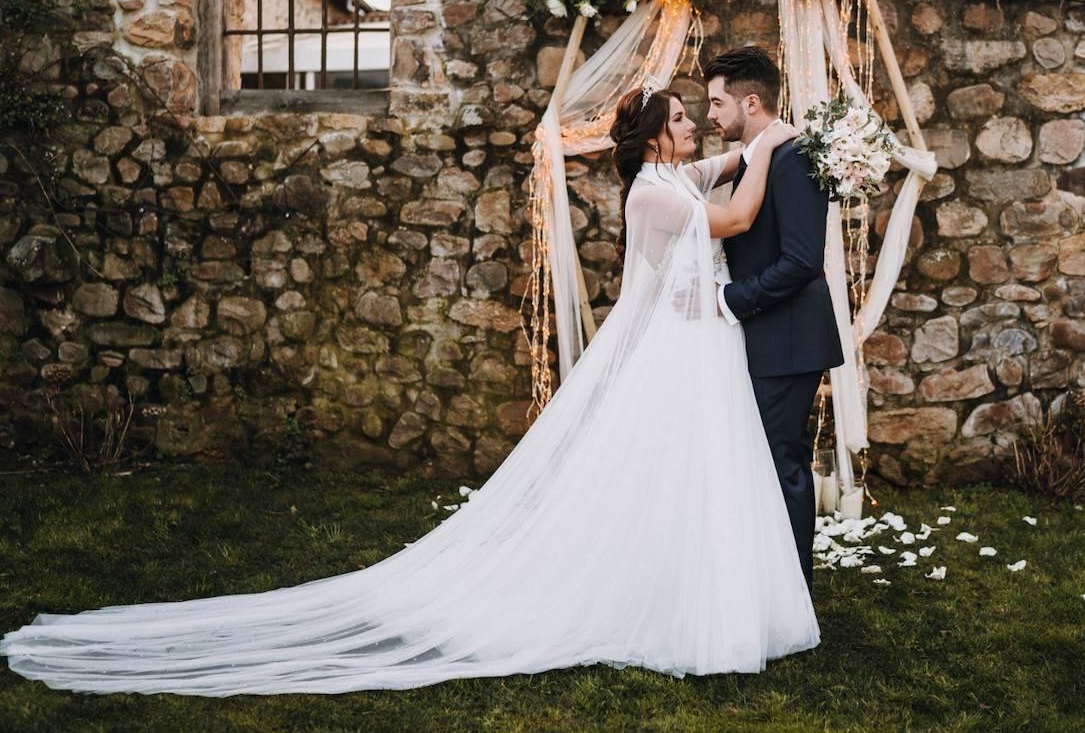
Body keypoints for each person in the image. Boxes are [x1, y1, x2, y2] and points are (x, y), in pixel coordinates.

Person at [0, 87, 818, 696]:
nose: (692, 127)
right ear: (653, 138)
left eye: (691, 117)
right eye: (680, 117)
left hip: (698, 345)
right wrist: (776, 141)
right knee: (669, 464)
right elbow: (741, 215)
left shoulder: (673, 179)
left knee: (697, 470)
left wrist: (766, 139)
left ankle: (690, 587)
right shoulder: (650, 193)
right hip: (675, 350)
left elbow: (724, 166)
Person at [704, 46, 845, 591]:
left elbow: (802, 260)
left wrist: (735, 299)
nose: (711, 115)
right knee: (763, 460)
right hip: (767, 336)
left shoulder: (794, 158)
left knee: (781, 462)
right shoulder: (766, 154)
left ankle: (793, 592)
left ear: (751, 101)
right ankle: (770, 582)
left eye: (717, 103)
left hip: (789, 339)